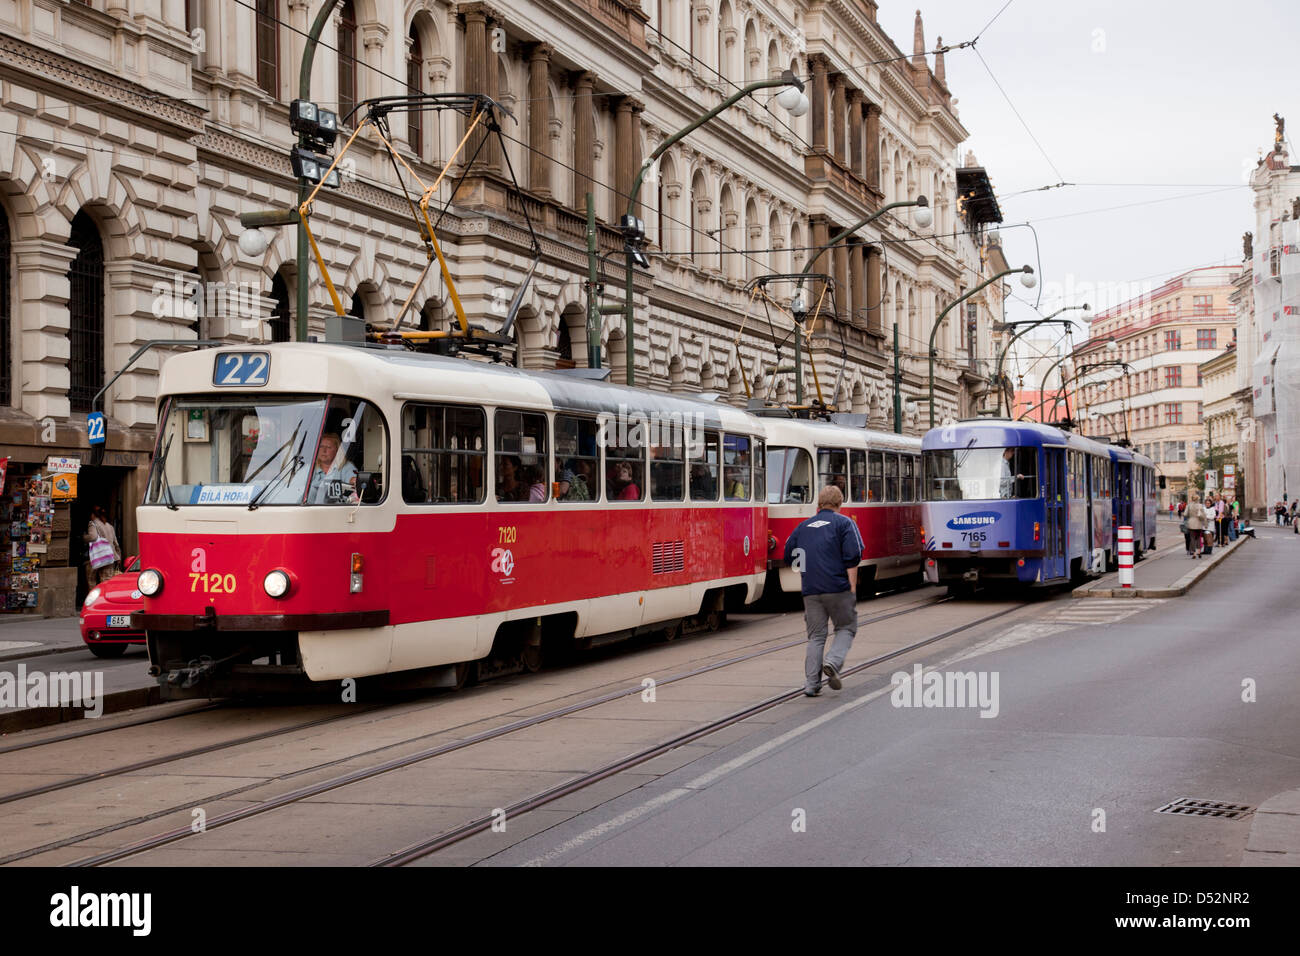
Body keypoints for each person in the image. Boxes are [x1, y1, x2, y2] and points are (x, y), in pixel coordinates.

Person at [782, 485, 864, 698]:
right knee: (846, 627)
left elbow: (788, 554)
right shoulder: (845, 523)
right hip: (837, 587)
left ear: (818, 504)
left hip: (810, 589)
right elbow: (854, 554)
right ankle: (833, 662)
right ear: (839, 503)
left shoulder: (803, 526)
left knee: (816, 636)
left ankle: (811, 684)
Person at [308, 432, 359, 504]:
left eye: (328, 447)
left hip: (337, 511)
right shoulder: (309, 468)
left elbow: (354, 480)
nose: (324, 450)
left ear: (337, 451)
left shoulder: (346, 467)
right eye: (321, 446)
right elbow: (296, 488)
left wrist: (355, 481)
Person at [84, 505, 123, 585]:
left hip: (96, 557)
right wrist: (118, 557)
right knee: (106, 582)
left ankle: (94, 596)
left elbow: (93, 537)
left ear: (93, 515)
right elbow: (116, 544)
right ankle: (104, 596)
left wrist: (84, 537)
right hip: (109, 558)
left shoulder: (93, 524)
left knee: (91, 580)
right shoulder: (110, 526)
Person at [1185, 492, 1207, 558]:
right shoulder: (1200, 506)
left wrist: (1190, 516)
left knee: (1192, 538)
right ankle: (1199, 552)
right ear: (1198, 499)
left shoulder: (1189, 505)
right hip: (1198, 523)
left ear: (1192, 499)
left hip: (1191, 523)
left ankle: (1194, 553)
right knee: (1198, 538)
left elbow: (1185, 514)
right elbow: (1204, 516)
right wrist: (1205, 524)